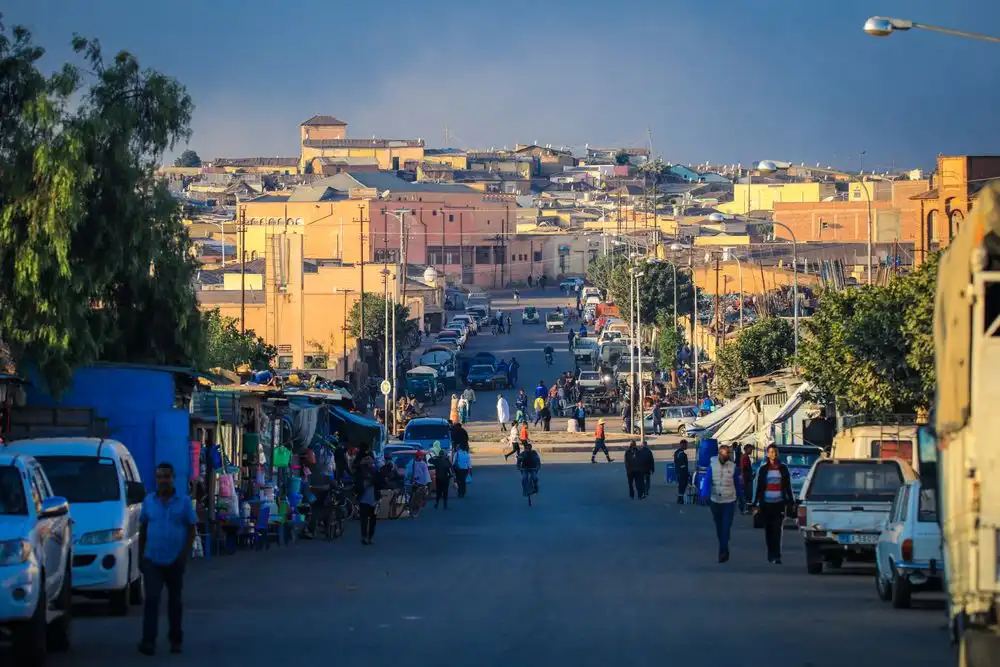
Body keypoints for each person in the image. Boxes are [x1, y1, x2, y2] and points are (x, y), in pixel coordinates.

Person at [137, 462, 197, 656]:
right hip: (152, 559)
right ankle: (148, 641)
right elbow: (143, 529)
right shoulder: (148, 502)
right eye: (159, 477)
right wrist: (141, 557)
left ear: (173, 479)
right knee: (152, 599)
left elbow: (191, 530)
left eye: (166, 476)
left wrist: (183, 556)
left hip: (174, 560)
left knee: (174, 602)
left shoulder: (184, 502)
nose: (163, 480)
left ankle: (176, 639)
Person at [698, 443, 743, 563]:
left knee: (726, 527)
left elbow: (737, 485)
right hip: (715, 501)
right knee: (719, 528)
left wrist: (741, 499)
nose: (727, 455)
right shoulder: (712, 466)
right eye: (725, 453)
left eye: (728, 453)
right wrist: (704, 494)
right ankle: (724, 545)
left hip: (729, 501)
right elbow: (707, 482)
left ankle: (722, 551)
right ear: (720, 454)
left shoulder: (733, 467)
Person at [752, 444, 795, 564]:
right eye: (771, 452)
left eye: (775, 452)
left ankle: (777, 556)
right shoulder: (764, 469)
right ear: (767, 454)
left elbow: (787, 486)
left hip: (779, 503)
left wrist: (791, 500)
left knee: (777, 530)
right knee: (769, 530)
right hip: (766, 504)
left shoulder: (783, 468)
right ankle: (770, 553)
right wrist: (755, 502)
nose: (773, 454)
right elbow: (760, 487)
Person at [354, 447, 378, 545]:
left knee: (373, 521)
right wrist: (363, 485)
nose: (369, 466)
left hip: (374, 500)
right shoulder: (359, 475)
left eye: (371, 464)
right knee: (364, 520)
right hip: (363, 500)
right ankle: (364, 537)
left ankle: (370, 537)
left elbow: (380, 483)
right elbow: (356, 487)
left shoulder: (375, 474)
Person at [406, 450, 431, 518]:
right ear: (418, 456)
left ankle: (415, 510)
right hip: (412, 483)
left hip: (421, 484)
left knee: (419, 498)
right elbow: (408, 473)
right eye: (421, 456)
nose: (422, 457)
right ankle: (411, 510)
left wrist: (427, 483)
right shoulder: (411, 463)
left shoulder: (423, 464)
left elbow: (426, 474)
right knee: (411, 497)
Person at [673, 440, 690, 504]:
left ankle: (680, 499)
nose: (687, 446)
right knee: (682, 485)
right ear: (682, 445)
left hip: (679, 472)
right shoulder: (681, 454)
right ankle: (680, 499)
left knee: (681, 485)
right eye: (686, 445)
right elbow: (683, 465)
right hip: (682, 472)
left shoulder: (677, 452)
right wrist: (686, 473)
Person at [739, 444, 755, 512]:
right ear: (747, 449)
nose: (751, 451)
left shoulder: (745, 456)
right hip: (746, 479)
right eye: (750, 449)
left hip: (746, 478)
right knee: (747, 494)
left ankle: (745, 509)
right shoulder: (745, 457)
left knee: (746, 494)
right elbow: (745, 468)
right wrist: (750, 476)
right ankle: (746, 509)